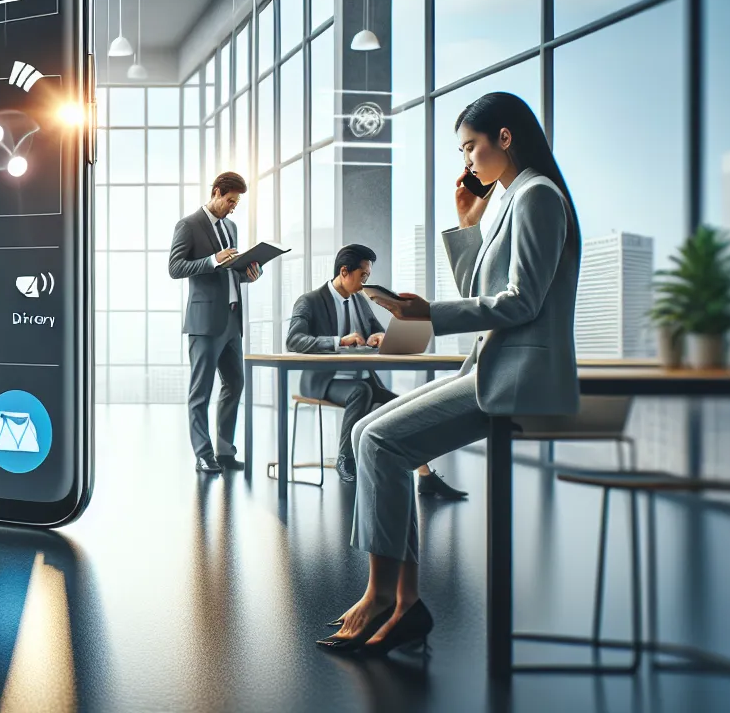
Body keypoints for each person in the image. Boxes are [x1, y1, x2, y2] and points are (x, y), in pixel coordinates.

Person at [320, 92, 580, 657]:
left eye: (470, 147)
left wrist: (427, 314)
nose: (467, 163)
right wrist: (469, 228)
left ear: (504, 137)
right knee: (369, 433)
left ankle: (382, 595)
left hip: (517, 376)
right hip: (495, 367)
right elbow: (482, 295)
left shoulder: (537, 195)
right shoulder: (514, 200)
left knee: (381, 439)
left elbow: (521, 303)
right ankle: (402, 601)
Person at [286, 244, 467, 498]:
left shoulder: (360, 301)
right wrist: (339, 341)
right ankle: (345, 459)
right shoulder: (310, 301)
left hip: (361, 380)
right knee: (360, 392)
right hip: (323, 381)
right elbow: (293, 340)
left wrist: (381, 336)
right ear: (344, 271)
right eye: (363, 276)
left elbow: (376, 330)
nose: (365, 283)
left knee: (403, 407)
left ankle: (425, 476)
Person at [169, 171, 262, 475]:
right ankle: (202, 454)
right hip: (205, 322)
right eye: (231, 201)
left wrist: (246, 275)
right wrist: (212, 260)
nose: (234, 207)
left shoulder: (231, 227)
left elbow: (230, 270)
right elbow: (175, 267)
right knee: (201, 392)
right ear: (217, 193)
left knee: (235, 384)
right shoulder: (189, 225)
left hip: (232, 320)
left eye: (237, 203)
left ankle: (225, 452)